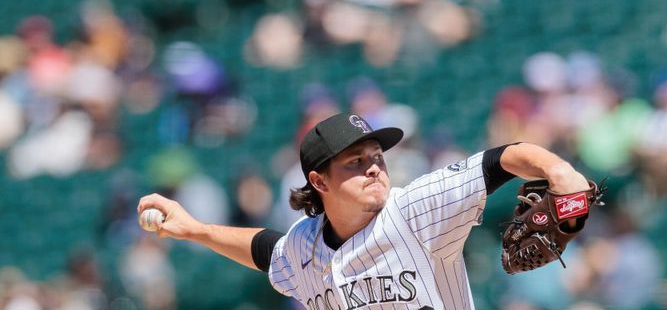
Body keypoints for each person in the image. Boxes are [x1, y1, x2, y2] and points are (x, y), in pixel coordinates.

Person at [138, 112, 590, 309]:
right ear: (319, 182)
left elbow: (500, 159)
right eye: (355, 162)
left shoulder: (415, 209)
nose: (374, 167)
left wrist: (561, 173)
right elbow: (266, 250)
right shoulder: (304, 245)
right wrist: (194, 230)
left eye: (377, 155)